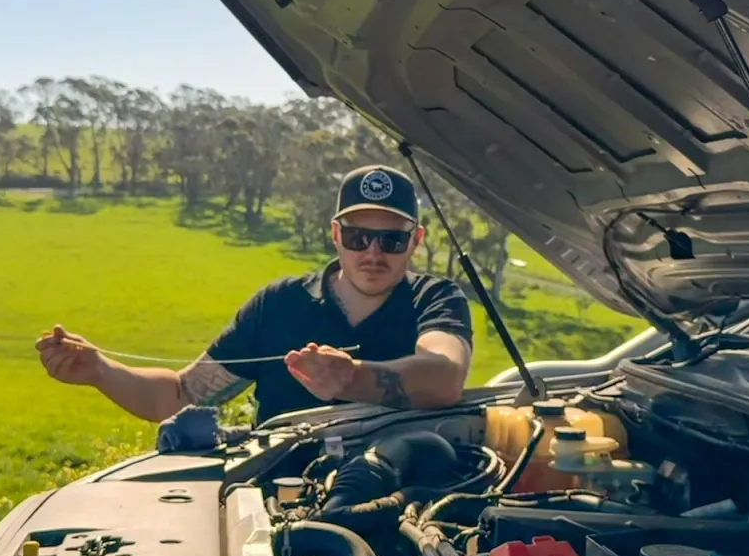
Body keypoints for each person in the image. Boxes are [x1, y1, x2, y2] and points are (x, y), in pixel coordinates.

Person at [36, 164, 474, 425]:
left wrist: (351, 378)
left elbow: (445, 376)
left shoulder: (436, 299)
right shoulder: (278, 305)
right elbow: (181, 395)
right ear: (337, 235)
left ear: (416, 241)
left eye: (391, 241)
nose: (374, 253)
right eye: (360, 237)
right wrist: (100, 370)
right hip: (280, 507)